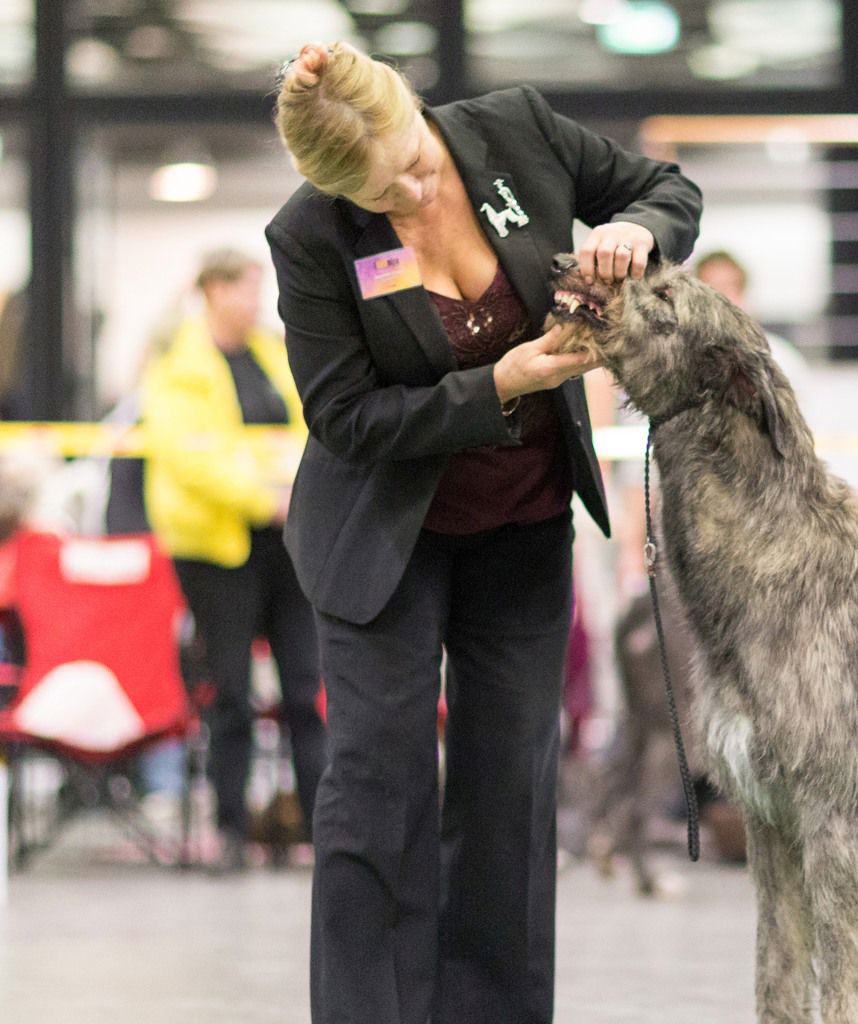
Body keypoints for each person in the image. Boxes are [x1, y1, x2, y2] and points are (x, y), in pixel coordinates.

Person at [266, 41, 701, 1024]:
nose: (414, 193)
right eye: (384, 195)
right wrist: (501, 384)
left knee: (509, 799)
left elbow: (669, 188)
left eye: (416, 161)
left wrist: (634, 227)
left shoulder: (519, 129)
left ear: (416, 108)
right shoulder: (310, 237)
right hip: (383, 543)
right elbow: (347, 419)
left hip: (522, 527)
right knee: (379, 797)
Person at [141, 248, 321, 873]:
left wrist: (294, 495)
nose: (255, 300)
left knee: (305, 688)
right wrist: (260, 498)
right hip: (218, 551)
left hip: (288, 544)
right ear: (213, 291)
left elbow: (310, 425)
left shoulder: (274, 355)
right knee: (233, 694)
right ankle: (229, 827)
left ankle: (318, 827)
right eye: (245, 288)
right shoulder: (180, 366)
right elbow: (191, 455)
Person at [694, 249, 810, 383]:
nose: (723, 298)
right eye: (713, 288)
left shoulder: (782, 359)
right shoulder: (681, 363)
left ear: (744, 294)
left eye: (730, 287)